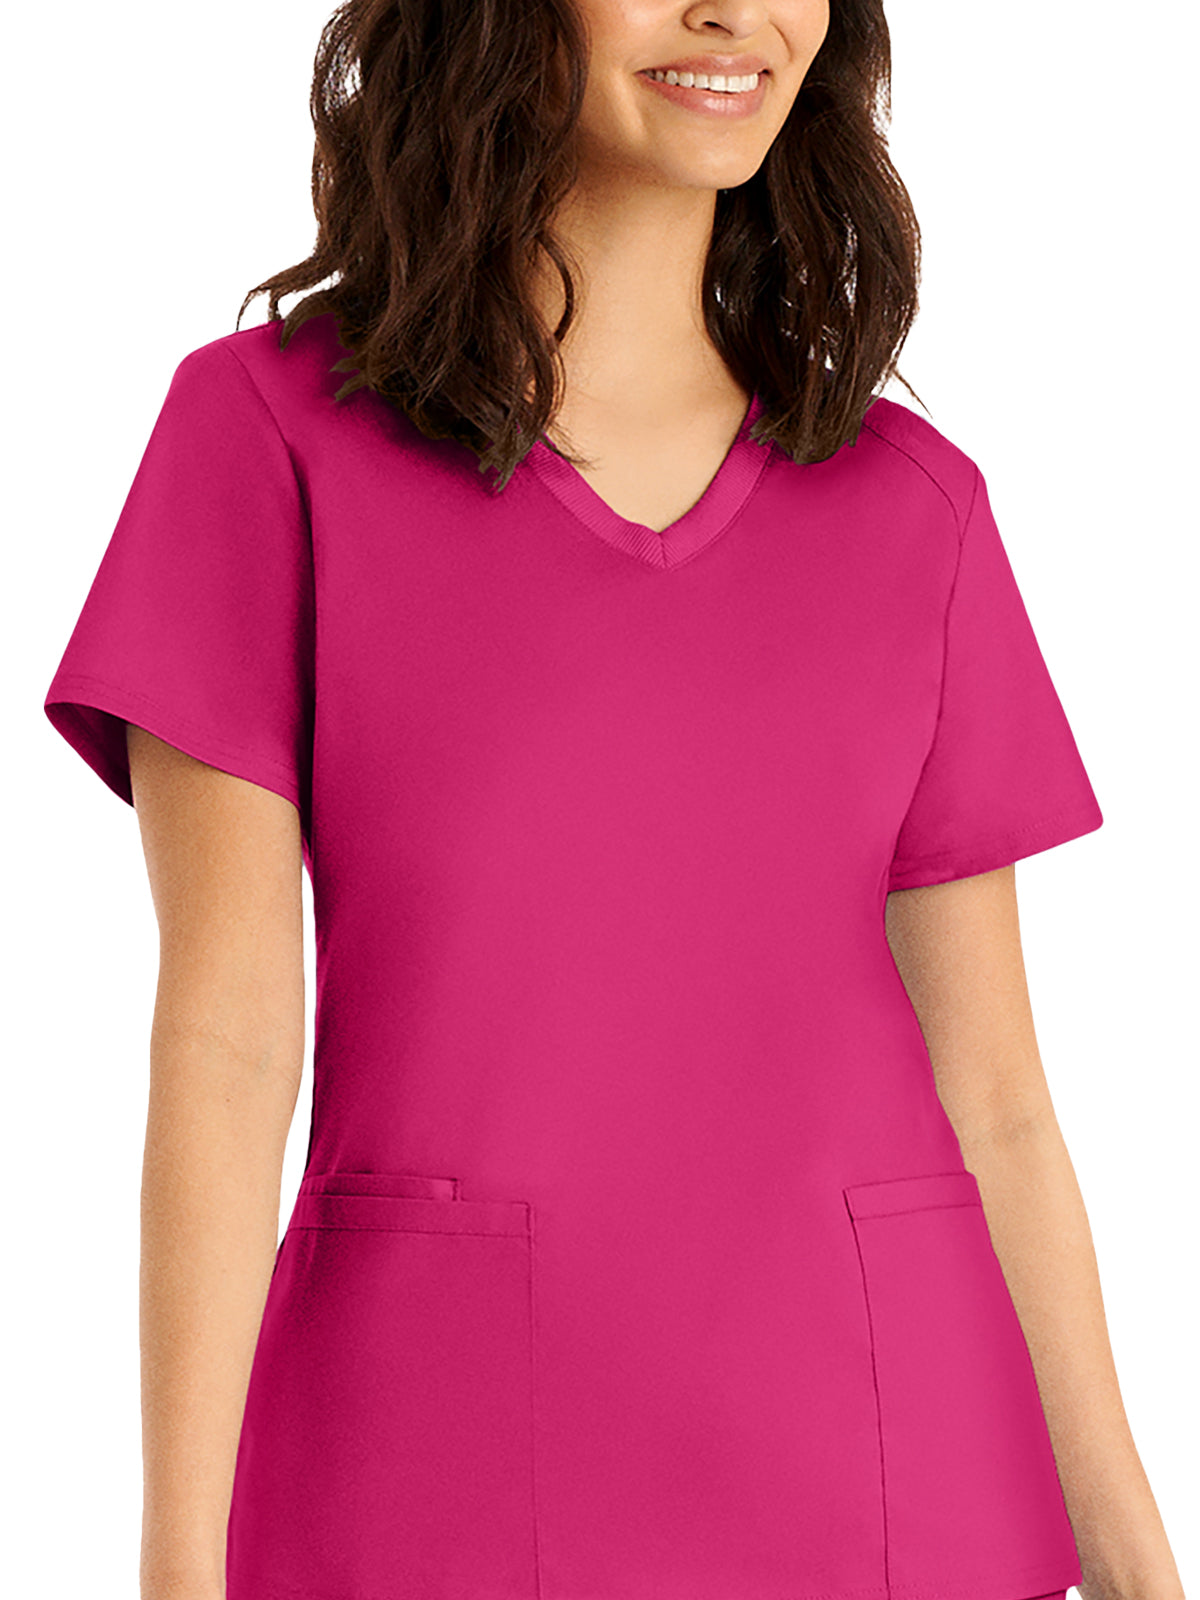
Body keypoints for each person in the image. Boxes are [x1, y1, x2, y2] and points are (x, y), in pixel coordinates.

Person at [42, 3, 1185, 1600]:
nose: (736, 12)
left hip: (896, 1490)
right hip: (427, 1483)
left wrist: (1140, 1571)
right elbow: (228, 1047)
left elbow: (996, 1096)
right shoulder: (270, 436)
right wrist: (178, 1570)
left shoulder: (916, 507)